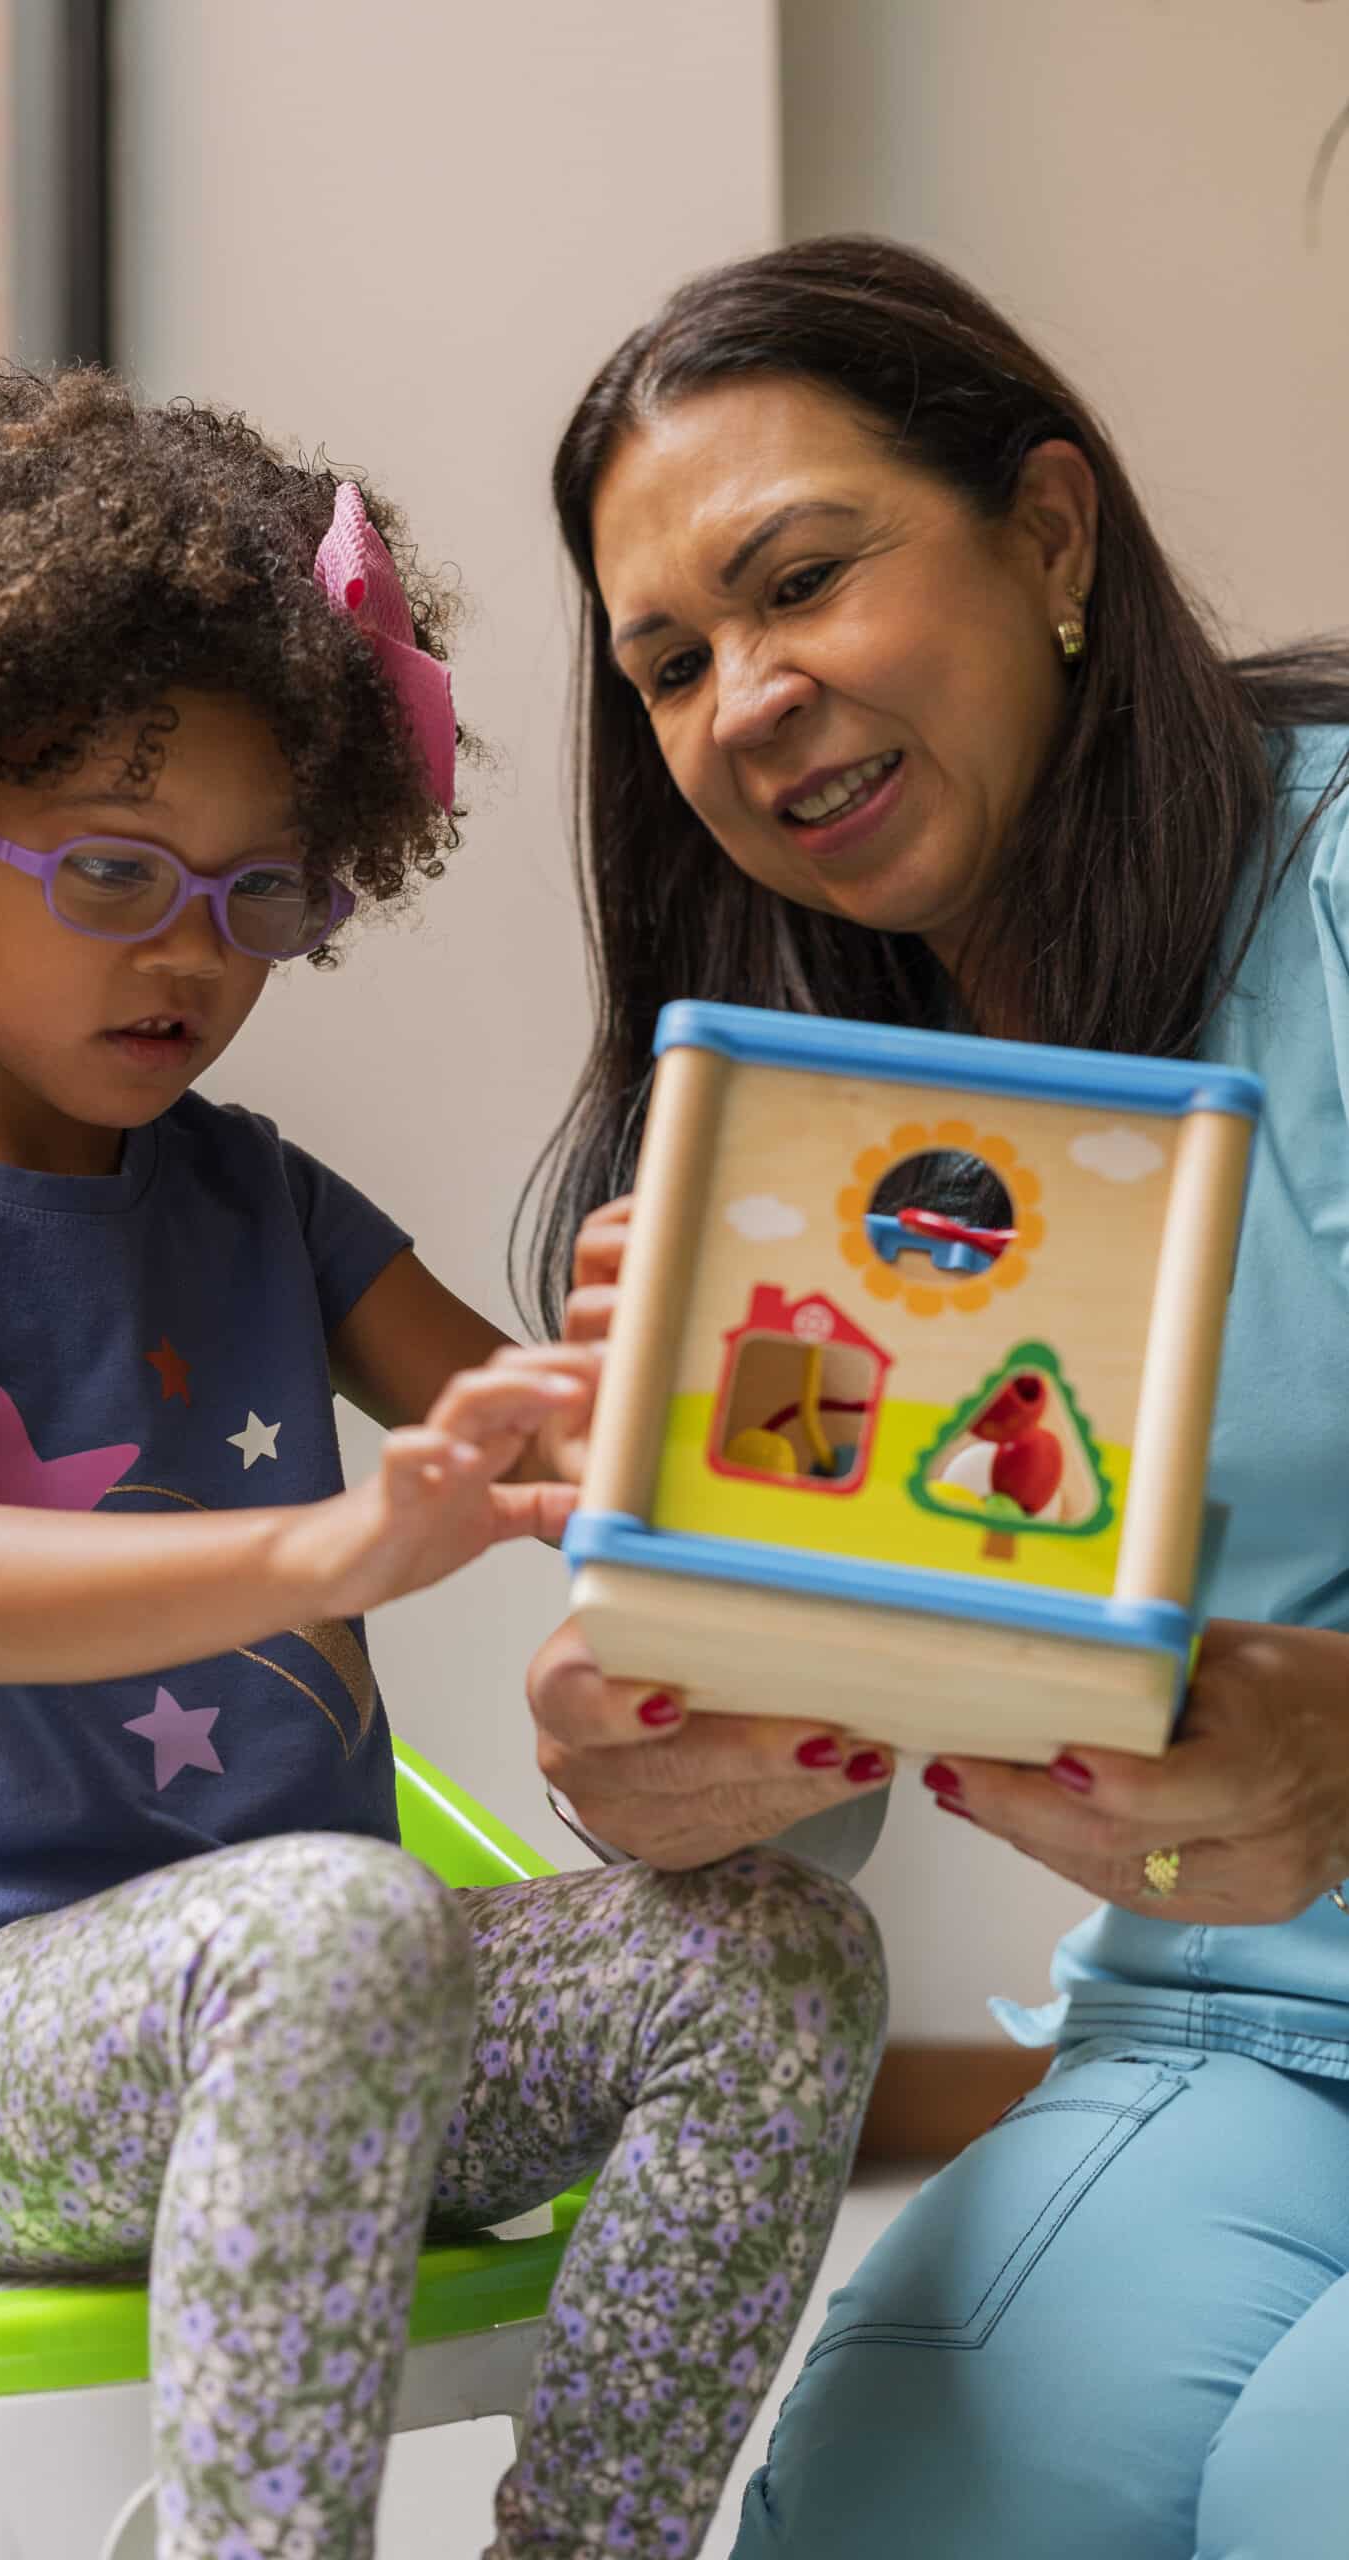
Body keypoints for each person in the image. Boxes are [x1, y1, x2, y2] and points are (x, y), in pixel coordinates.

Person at [0, 356, 886, 2560]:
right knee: (332, 1921)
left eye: (261, 895)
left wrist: (701, 1351)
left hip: (343, 1990)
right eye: (114, 871)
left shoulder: (253, 1189)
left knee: (770, 1952)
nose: (190, 955)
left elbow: (550, 1450)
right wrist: (331, 1536)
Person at [522, 233, 1349, 2560]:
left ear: (1051, 536)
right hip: (1231, 2034)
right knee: (887, 2508)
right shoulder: (808, 1135)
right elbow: (835, 1788)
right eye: (670, 664)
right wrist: (672, 1754)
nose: (743, 700)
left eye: (801, 582)